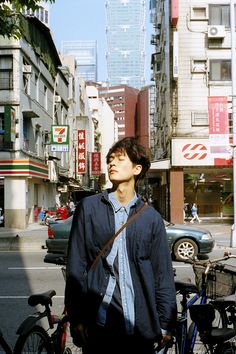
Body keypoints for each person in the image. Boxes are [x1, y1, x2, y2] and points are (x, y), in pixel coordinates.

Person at [65, 137, 177, 354]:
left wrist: (166, 323)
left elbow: (162, 274)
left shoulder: (151, 218)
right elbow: (76, 267)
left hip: (140, 325)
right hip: (98, 323)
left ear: (137, 168)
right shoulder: (88, 208)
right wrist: (76, 318)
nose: (111, 164)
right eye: (110, 159)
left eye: (119, 159)